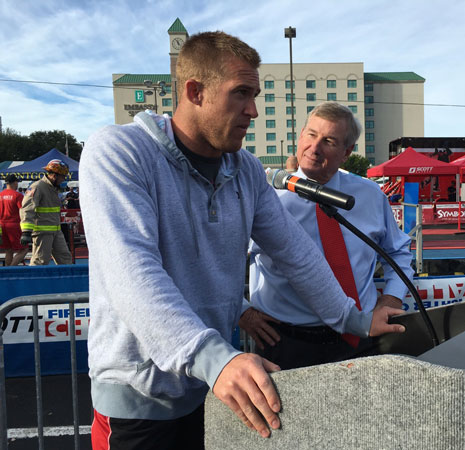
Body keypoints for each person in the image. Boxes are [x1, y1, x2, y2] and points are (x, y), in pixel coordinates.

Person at [79, 32, 405, 450]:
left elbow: (295, 252)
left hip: (210, 384)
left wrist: (353, 319)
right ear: (194, 91)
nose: (253, 110)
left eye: (255, 94)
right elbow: (132, 272)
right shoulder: (119, 151)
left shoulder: (245, 168)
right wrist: (215, 359)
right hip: (140, 398)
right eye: (241, 94)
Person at [239, 101, 414, 370]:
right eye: (311, 134)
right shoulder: (265, 198)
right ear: (300, 136)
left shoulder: (369, 195)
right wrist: (242, 312)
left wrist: (391, 298)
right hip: (286, 342)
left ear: (347, 152)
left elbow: (398, 251)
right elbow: (218, 260)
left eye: (329, 141)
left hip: (361, 337)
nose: (315, 147)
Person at [19, 160, 72, 266]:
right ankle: (34, 282)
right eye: (63, 176)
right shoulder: (38, 187)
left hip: (56, 231)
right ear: (55, 175)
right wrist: (26, 232)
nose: (63, 179)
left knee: (65, 259)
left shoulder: (53, 188)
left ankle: (67, 281)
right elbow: (27, 209)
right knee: (40, 261)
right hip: (42, 232)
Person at [0, 174, 29, 266]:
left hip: (2, 225)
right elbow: (23, 211)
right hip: (14, 225)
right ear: (14, 182)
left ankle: (7, 271)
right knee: (24, 249)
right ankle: (12, 268)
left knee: (8, 250)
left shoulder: (1, 195)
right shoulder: (18, 195)